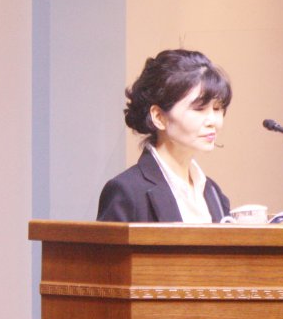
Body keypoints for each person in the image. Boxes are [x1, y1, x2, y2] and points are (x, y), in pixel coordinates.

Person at [96, 49, 232, 223]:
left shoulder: (213, 193)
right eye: (199, 109)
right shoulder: (127, 191)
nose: (213, 121)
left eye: (217, 108)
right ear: (159, 117)